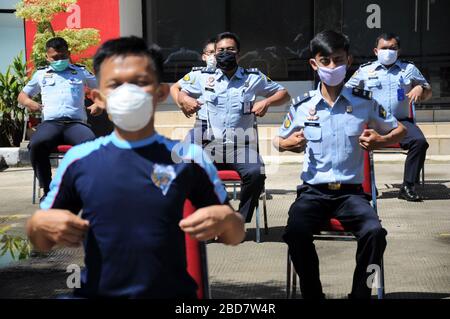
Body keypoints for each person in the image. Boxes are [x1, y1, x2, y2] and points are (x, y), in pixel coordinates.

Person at [26, 36, 245, 298]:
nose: (128, 92)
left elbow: (234, 234)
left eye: (140, 82)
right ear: (99, 97)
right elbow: (42, 239)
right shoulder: (79, 160)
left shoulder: (189, 156)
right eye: (115, 85)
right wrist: (38, 224)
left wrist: (229, 220)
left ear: (161, 92)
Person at [273, 30, 406, 299]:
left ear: (349, 61)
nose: (333, 66)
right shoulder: (302, 106)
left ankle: (360, 294)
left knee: (375, 233)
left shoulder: (364, 101)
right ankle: (313, 294)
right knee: (295, 232)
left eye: (338, 59)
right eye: (326, 61)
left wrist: (380, 140)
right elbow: (278, 140)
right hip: (313, 193)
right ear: (314, 64)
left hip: (351, 194)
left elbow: (400, 130)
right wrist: (288, 145)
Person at [178, 32, 290, 223]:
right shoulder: (203, 77)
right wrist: (185, 99)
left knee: (256, 173)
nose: (225, 53)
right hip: (209, 145)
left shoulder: (253, 78)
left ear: (238, 54)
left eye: (230, 50)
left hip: (241, 147)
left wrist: (267, 102)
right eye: (221, 50)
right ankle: (207, 217)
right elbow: (181, 91)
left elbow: (284, 93)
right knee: (186, 169)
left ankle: (238, 219)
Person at [346, 33, 432, 202]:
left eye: (392, 48)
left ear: (398, 51)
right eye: (384, 48)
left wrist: (421, 89)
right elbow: (347, 93)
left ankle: (408, 186)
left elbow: (428, 92)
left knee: (420, 142)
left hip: (401, 122)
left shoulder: (408, 69)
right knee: (352, 139)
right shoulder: (365, 70)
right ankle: (363, 186)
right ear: (376, 50)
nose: (388, 51)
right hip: (372, 122)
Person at [18, 37, 102, 199]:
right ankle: (47, 190)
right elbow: (22, 95)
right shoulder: (41, 74)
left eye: (63, 56)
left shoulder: (80, 71)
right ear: (47, 57)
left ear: (68, 54)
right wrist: (29, 102)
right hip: (50, 124)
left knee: (91, 145)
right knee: (36, 144)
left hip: (76, 124)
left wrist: (98, 103)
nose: (60, 60)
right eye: (55, 58)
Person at [170, 38, 216, 145]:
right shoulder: (198, 74)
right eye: (210, 53)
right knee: (187, 154)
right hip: (203, 124)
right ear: (204, 57)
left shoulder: (232, 75)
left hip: (227, 127)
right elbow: (174, 88)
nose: (213, 57)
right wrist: (182, 106)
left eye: (217, 53)